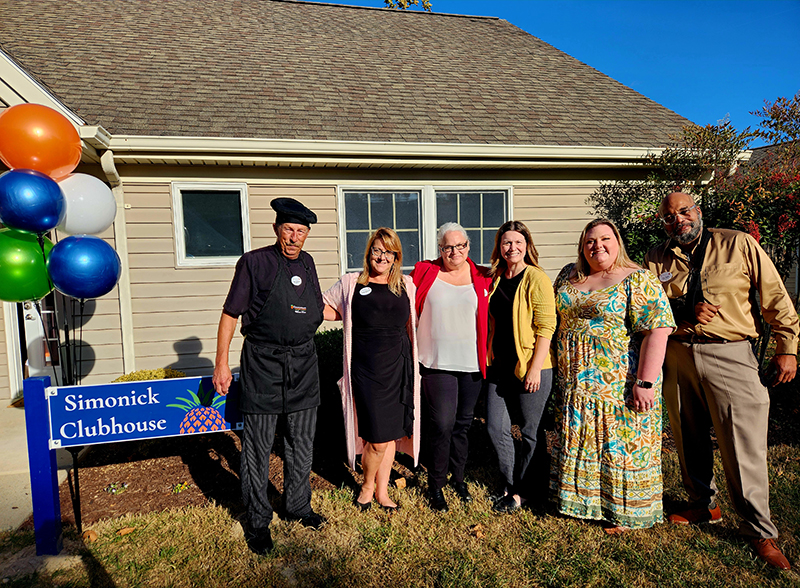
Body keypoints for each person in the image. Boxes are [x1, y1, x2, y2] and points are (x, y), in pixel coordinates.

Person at [644, 192, 799, 570]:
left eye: (683, 212)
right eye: (668, 217)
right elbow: (649, 304)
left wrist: (788, 347)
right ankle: (702, 504)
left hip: (729, 352)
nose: (677, 220)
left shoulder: (737, 244)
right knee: (687, 433)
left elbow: (774, 294)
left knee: (741, 444)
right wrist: (683, 310)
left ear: (698, 211)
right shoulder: (656, 257)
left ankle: (760, 531)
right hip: (678, 353)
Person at [212, 197, 325, 556]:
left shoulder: (307, 263)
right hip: (262, 363)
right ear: (276, 228)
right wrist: (220, 362)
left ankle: (297, 506)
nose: (294, 238)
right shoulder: (254, 262)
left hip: (304, 364)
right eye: (289, 230)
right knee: (258, 447)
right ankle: (258, 521)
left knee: (301, 442)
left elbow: (317, 308)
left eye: (301, 232)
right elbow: (231, 313)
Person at [552, 219, 675, 534]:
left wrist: (645, 382)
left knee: (621, 447)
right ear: (582, 246)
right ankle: (585, 504)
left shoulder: (638, 279)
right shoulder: (568, 276)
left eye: (605, 239)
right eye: (590, 241)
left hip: (620, 385)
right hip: (576, 386)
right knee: (587, 445)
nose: (598, 246)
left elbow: (658, 329)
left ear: (617, 242)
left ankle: (626, 513)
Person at [322, 228, 420, 512]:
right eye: (377, 250)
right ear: (369, 253)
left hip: (398, 368)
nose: (382, 257)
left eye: (388, 252)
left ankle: (382, 491)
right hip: (366, 370)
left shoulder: (406, 285)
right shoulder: (352, 283)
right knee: (376, 438)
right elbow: (327, 307)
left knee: (390, 436)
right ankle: (366, 486)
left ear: (396, 257)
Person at [411, 222, 492, 512]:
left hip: (471, 364)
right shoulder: (425, 272)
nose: (454, 251)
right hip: (436, 362)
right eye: (447, 247)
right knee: (442, 424)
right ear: (440, 249)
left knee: (462, 425)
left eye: (460, 246)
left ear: (468, 247)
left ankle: (458, 479)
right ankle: (436, 485)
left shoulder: (482, 276)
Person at [485, 221, 557, 513]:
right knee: (495, 427)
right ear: (499, 247)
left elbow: (546, 325)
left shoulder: (535, 278)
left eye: (517, 242)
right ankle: (509, 482)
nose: (511, 248)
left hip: (531, 366)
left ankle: (524, 492)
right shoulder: (497, 277)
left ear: (527, 245)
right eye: (506, 243)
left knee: (530, 432)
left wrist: (535, 367)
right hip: (499, 367)